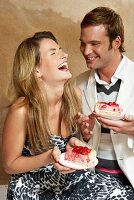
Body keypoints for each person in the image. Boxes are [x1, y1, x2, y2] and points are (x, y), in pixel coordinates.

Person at [2, 31, 96, 200]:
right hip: (32, 185)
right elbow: (9, 164)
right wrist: (48, 158)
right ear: (36, 69)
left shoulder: (74, 95)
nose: (65, 55)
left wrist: (81, 139)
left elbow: (70, 144)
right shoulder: (22, 109)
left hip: (67, 181)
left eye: (60, 50)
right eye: (54, 52)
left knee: (121, 193)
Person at [75, 6, 134, 199]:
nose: (86, 51)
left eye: (94, 43)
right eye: (83, 43)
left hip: (129, 180)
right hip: (90, 179)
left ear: (116, 42)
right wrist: (83, 134)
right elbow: (70, 140)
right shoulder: (78, 83)